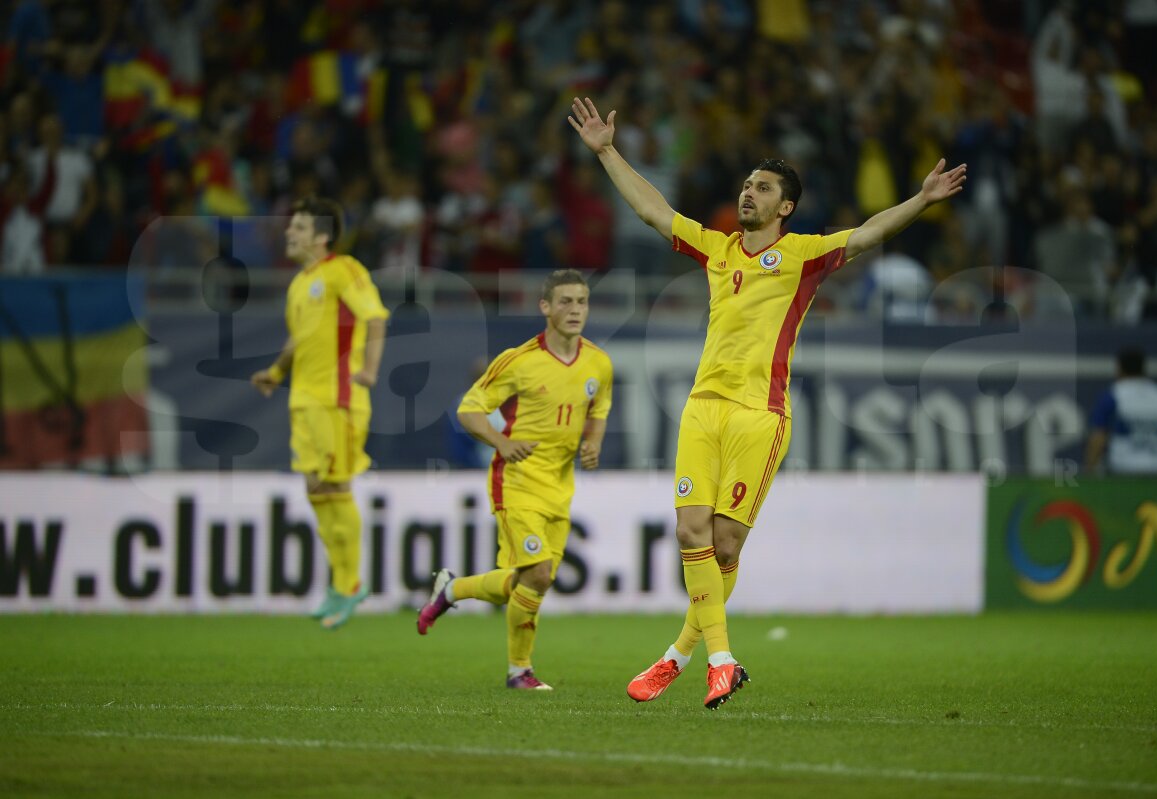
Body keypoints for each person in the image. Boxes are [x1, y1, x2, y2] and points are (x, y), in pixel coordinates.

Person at [567, 96, 966, 709]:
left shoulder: (804, 256)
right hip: (703, 406)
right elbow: (654, 211)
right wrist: (607, 152)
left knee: (723, 545)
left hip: (760, 414)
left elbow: (869, 234)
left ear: (786, 206)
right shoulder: (717, 248)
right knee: (688, 530)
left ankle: (678, 653)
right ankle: (721, 661)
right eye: (747, 184)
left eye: (763, 188)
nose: (748, 193)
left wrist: (921, 200)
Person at [416, 269, 613, 691]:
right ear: (545, 307)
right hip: (517, 479)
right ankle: (518, 671)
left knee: (525, 583)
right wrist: (501, 444)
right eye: (565, 301)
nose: (575, 309)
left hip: (560, 486)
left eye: (581, 301)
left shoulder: (599, 362)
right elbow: (469, 410)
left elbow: (598, 408)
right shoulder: (519, 361)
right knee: (538, 575)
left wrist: (592, 443)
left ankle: (451, 591)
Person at [251, 197, 389, 629]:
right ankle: (340, 583)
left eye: (299, 227)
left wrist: (369, 369)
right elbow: (299, 339)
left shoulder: (344, 269)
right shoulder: (299, 284)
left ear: (322, 236)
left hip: (339, 399)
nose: (290, 233)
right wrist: (276, 371)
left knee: (335, 485)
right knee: (315, 488)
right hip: (304, 400)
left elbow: (377, 317)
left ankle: (349, 584)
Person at [1084, 347, 1157, 475]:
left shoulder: (1114, 394)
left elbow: (1099, 435)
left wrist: (1090, 468)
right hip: (1154, 467)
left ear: (1119, 368)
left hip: (1121, 468)